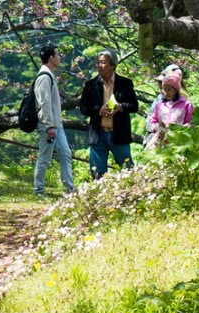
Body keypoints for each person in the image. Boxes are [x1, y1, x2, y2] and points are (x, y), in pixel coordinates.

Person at [79, 50, 140, 179]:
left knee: (127, 169)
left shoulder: (125, 83)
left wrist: (121, 107)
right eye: (98, 63)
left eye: (103, 62)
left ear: (112, 65)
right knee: (97, 172)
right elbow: (83, 108)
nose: (99, 66)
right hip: (98, 134)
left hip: (119, 134)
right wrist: (99, 110)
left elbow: (134, 106)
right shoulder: (90, 85)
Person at [31, 45, 75, 198]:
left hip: (57, 125)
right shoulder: (44, 77)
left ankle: (70, 189)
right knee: (45, 158)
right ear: (51, 58)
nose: (60, 57)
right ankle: (39, 191)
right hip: (49, 125)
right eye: (58, 55)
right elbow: (45, 103)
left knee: (65, 154)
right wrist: (49, 126)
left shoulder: (49, 75)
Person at [144, 63, 193, 150]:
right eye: (164, 90)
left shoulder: (186, 104)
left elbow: (190, 123)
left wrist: (179, 128)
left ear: (176, 90)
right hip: (161, 135)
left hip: (178, 137)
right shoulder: (159, 104)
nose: (166, 92)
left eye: (169, 90)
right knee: (152, 152)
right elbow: (153, 122)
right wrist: (158, 126)